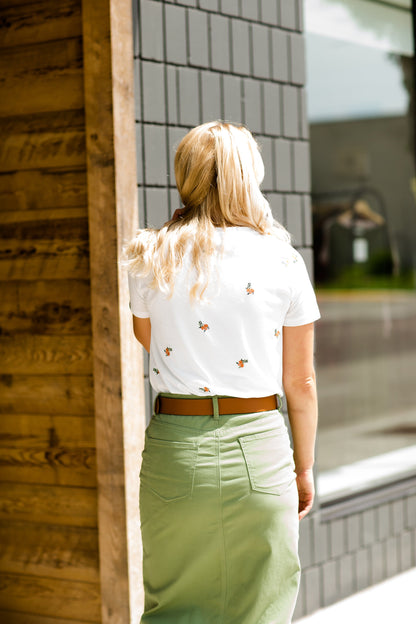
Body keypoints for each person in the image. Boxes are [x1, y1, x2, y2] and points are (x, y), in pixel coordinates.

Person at [125, 121, 320, 624]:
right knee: (262, 609)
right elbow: (300, 382)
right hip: (259, 447)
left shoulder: (151, 254)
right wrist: (304, 466)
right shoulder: (282, 258)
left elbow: (149, 340)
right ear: (247, 176)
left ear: (186, 176)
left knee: (172, 609)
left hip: (175, 449)